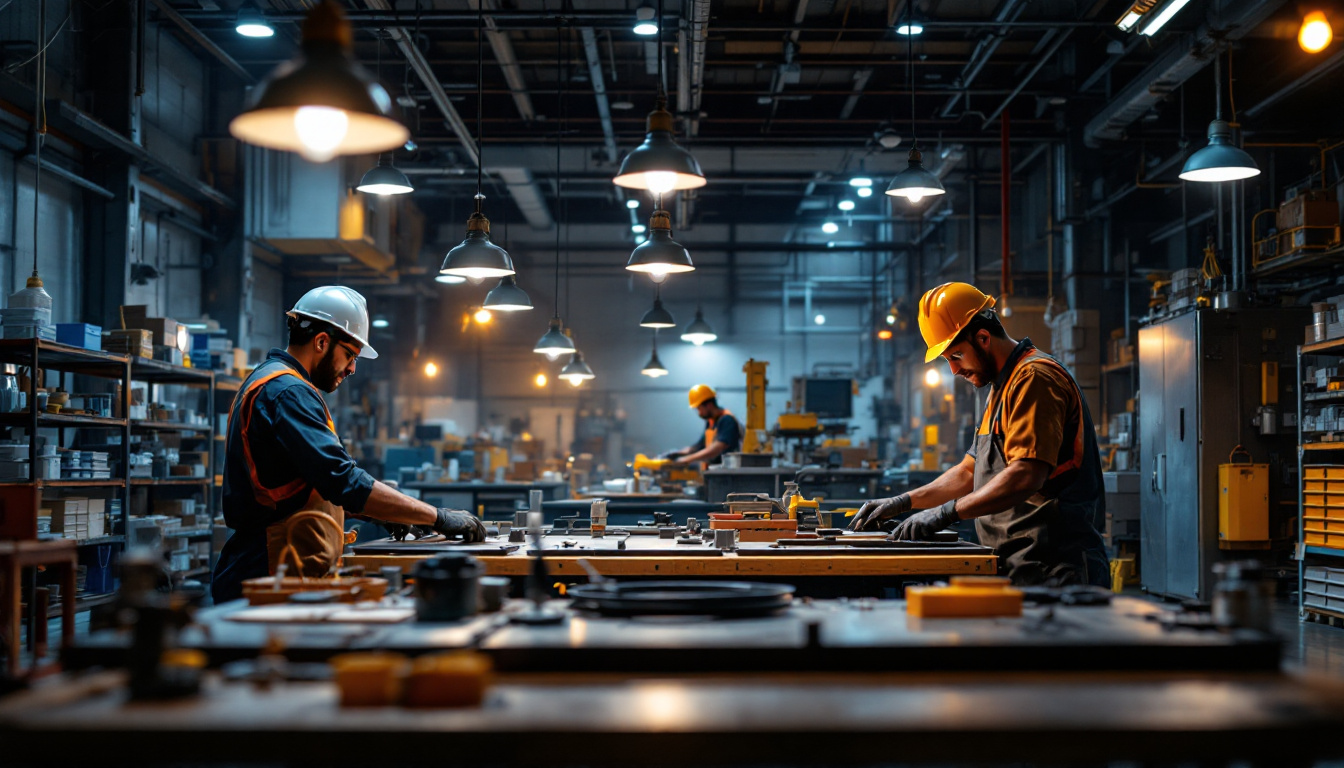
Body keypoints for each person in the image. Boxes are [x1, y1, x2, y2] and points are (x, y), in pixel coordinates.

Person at [212, 286, 486, 603]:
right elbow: (343, 481)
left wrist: (387, 513)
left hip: (278, 570)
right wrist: (439, 518)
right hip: (273, 575)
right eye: (350, 355)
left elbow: (311, 484)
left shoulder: (270, 382)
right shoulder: (289, 393)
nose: (353, 368)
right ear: (322, 342)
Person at [851, 282, 1109, 587]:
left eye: (956, 356)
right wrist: (904, 501)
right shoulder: (1001, 387)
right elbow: (969, 471)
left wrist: (946, 513)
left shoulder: (1034, 378)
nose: (953, 371)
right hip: (1019, 565)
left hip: (1055, 569)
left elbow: (1026, 475)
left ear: (983, 338)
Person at [663, 384, 742, 467]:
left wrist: (687, 459)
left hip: (727, 473)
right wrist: (678, 453)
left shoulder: (727, 420)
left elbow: (717, 448)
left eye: (699, 408)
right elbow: (699, 446)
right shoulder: (711, 422)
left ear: (709, 405)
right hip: (715, 471)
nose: (699, 413)